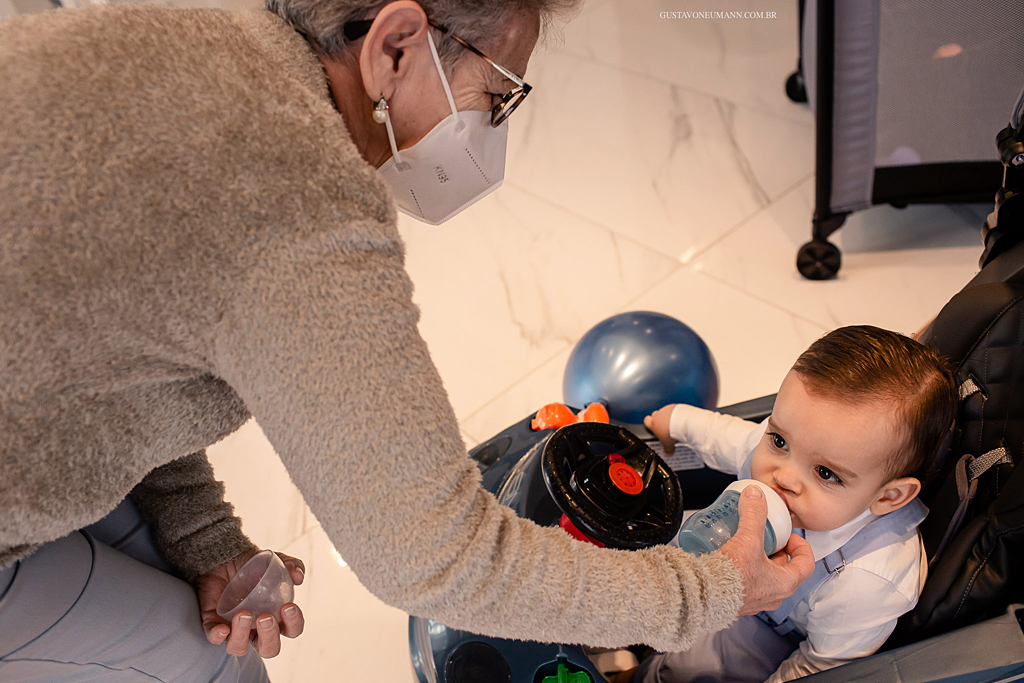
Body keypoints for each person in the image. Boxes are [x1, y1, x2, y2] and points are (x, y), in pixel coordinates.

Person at [0, 0, 815, 679]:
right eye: (497, 94)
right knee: (209, 663)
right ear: (395, 44)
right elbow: (433, 554)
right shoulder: (294, 199)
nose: (493, 126)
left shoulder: (198, 40)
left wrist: (204, 537)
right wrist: (705, 591)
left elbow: (128, 346)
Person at [637, 325, 958, 683]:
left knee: (698, 668)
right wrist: (678, 421)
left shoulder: (868, 581)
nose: (784, 476)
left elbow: (821, 666)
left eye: (825, 473)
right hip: (717, 561)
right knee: (656, 544)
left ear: (887, 496)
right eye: (779, 441)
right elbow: (730, 437)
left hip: (776, 631)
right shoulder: (796, 448)